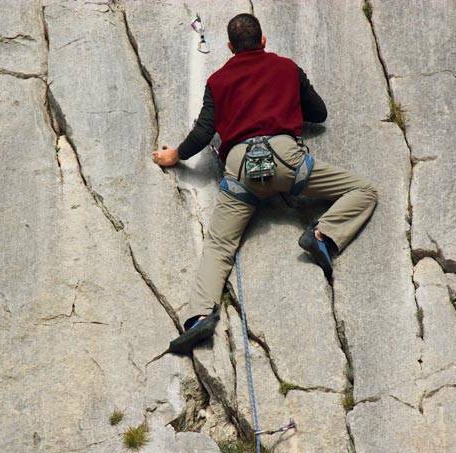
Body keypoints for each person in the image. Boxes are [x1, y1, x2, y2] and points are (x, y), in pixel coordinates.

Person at [153, 13, 378, 354]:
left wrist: (176, 156)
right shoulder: (287, 68)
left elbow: (204, 130)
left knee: (219, 246)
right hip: (287, 162)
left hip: (241, 169)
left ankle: (199, 317)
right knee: (364, 190)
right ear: (263, 40)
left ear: (230, 47)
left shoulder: (217, 80)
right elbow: (318, 113)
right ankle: (322, 236)